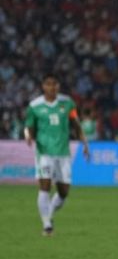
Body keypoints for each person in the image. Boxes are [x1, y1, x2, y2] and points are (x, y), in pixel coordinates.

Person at [24, 74, 90, 236]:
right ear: (43, 86)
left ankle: (50, 214)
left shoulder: (67, 103)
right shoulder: (34, 106)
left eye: (54, 84)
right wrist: (28, 136)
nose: (51, 87)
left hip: (63, 153)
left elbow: (76, 124)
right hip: (44, 153)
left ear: (58, 86)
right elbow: (29, 126)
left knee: (63, 192)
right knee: (45, 186)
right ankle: (47, 225)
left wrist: (85, 144)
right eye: (48, 84)